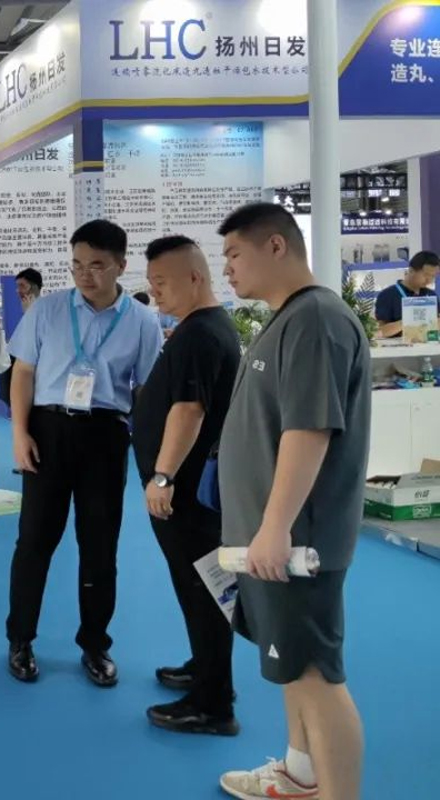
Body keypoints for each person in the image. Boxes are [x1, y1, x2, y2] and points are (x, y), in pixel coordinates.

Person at [215, 204, 370, 800]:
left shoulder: (316, 319)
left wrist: (275, 527)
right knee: (292, 667)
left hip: (297, 540)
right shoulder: (287, 318)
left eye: (234, 253)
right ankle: (301, 773)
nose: (227, 267)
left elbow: (309, 430)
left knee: (315, 677)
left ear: (276, 246)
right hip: (271, 537)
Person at [5, 219, 163, 687]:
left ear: (121, 266)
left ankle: (95, 643)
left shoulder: (142, 321)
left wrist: (153, 458)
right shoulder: (48, 310)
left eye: (96, 265)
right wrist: (20, 433)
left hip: (105, 436)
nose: (84, 274)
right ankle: (20, 639)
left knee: (99, 546)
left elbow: (146, 389)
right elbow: (23, 373)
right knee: (34, 541)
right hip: (48, 431)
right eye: (76, 264)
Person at [131, 236, 241, 736]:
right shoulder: (204, 327)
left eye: (161, 281)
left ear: (195, 278)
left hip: (187, 490)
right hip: (191, 488)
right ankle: (206, 668)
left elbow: (189, 410)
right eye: (151, 282)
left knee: (203, 588)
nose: (154, 291)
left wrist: (163, 475)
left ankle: (213, 704)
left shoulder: (199, 335)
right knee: (196, 584)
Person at [0, 268, 45, 409]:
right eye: (17, 286)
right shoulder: (29, 310)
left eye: (22, 286)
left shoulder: (45, 310)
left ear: (34, 287)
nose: (18, 290)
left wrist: (30, 314)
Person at [373, 250, 440, 338]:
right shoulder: (387, 295)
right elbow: (379, 331)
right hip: (397, 346)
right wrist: (409, 320)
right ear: (411, 270)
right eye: (426, 275)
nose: (429, 280)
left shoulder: (431, 295)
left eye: (433, 276)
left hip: (429, 345)